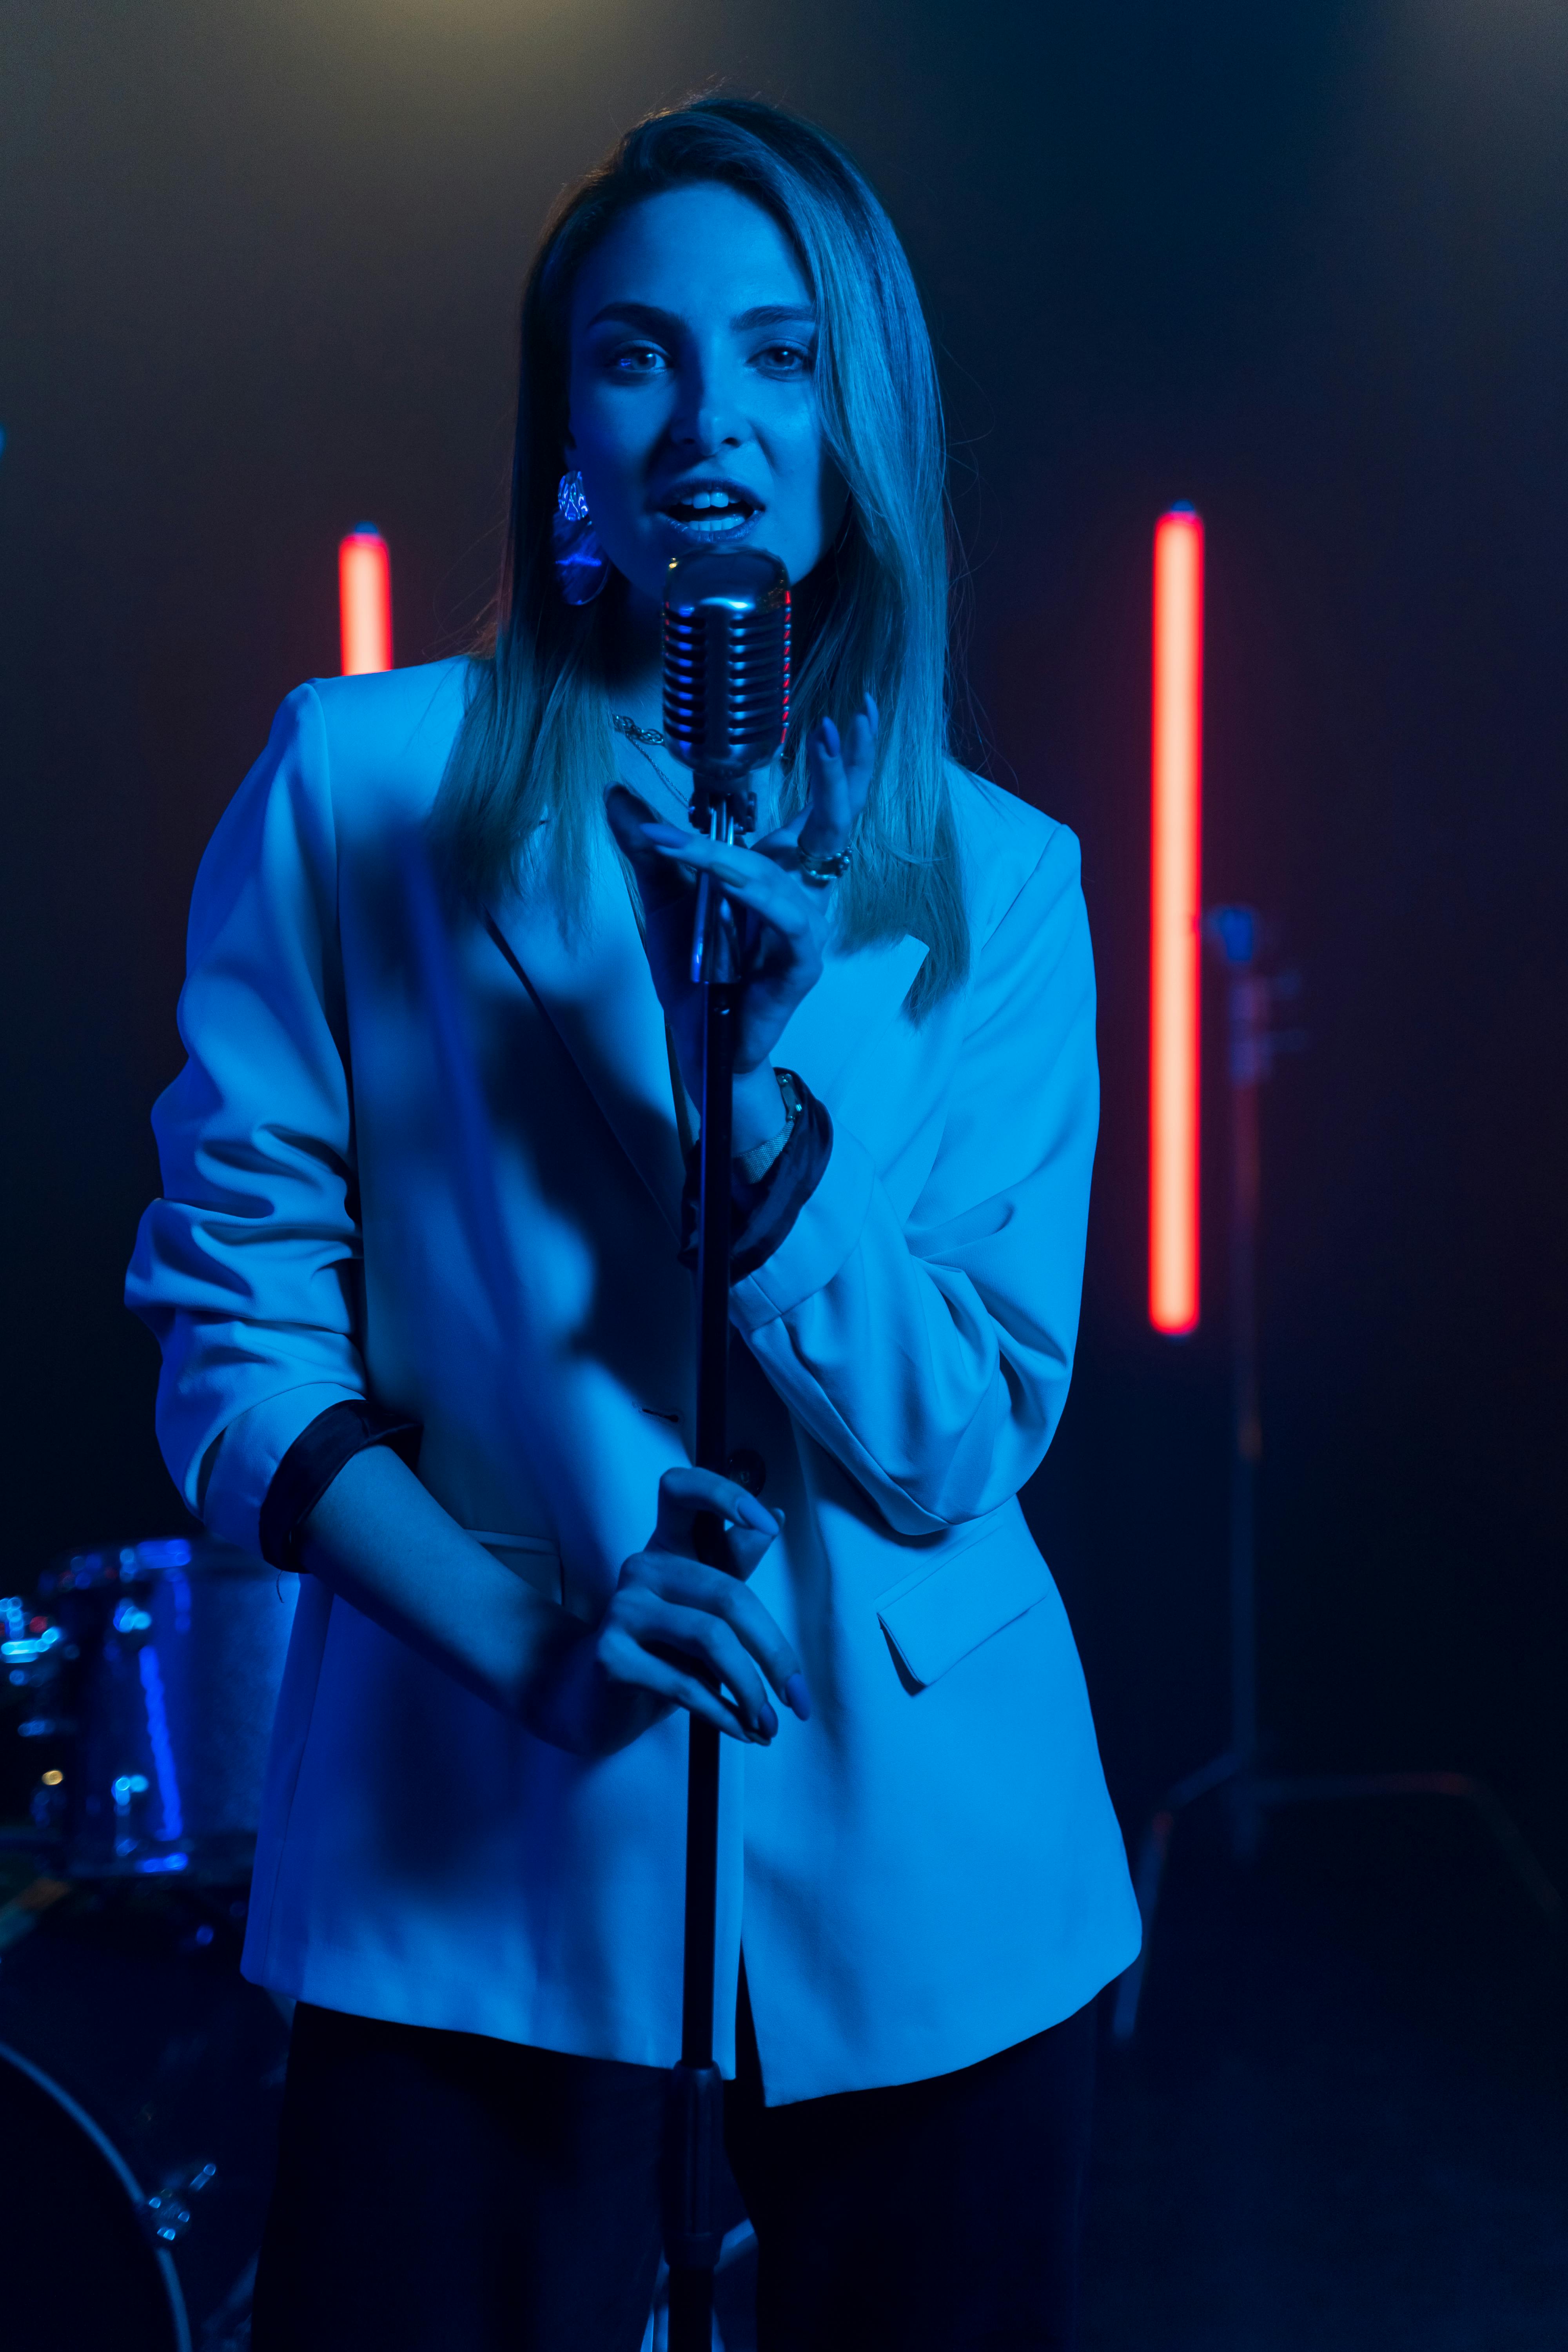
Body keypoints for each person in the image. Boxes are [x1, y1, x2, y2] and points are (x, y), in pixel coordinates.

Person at [127, 94, 1140, 2352]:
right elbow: (233, 1343)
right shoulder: (360, 788)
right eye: (635, 357)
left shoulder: (1009, 878)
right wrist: (535, 1647)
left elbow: (962, 1432)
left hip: (942, 1889)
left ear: (861, 416)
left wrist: (757, 1116)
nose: (710, 424)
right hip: (473, 1843)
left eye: (783, 359)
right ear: (562, 422)